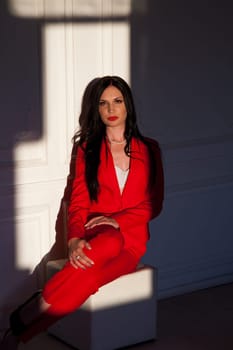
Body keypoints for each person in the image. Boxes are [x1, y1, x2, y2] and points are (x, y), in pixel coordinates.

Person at [0, 75, 164, 349]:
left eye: (117, 101)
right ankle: (24, 326)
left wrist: (117, 220)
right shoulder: (87, 149)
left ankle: (21, 328)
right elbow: (77, 203)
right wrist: (74, 239)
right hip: (96, 233)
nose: (111, 110)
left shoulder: (150, 149)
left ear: (128, 106)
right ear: (96, 109)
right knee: (109, 240)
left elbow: (154, 204)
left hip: (132, 244)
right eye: (103, 103)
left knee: (89, 279)